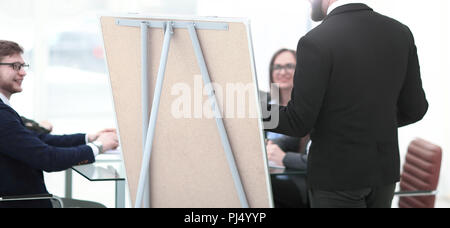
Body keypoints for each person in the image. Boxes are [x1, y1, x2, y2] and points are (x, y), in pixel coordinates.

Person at [264, 0, 428, 208]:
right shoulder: (400, 33)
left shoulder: (316, 41)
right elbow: (416, 109)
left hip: (335, 178)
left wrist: (252, 109)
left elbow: (298, 122)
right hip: (383, 175)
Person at [0, 40, 119, 208]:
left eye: (23, 65)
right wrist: (99, 147)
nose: (24, 72)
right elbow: (49, 159)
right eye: (15, 66)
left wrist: (89, 138)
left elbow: (40, 139)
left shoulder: (4, 111)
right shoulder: (2, 116)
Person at [264, 48, 310, 208]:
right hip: (265, 177)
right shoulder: (263, 107)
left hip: (296, 182)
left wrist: (283, 157)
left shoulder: (310, 108)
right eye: (277, 67)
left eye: (289, 66)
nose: (282, 72)